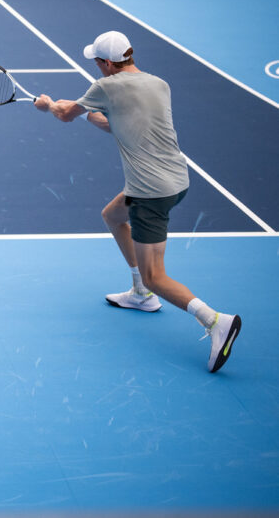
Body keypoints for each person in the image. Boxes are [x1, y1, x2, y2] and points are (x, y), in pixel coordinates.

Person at [34, 31, 241, 373]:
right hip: (176, 179)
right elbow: (119, 124)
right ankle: (140, 294)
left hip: (150, 191)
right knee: (113, 216)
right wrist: (85, 114)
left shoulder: (106, 87)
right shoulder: (159, 84)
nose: (97, 68)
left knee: (156, 275)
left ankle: (215, 320)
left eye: (98, 63)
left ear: (107, 63)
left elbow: (65, 113)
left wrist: (48, 106)